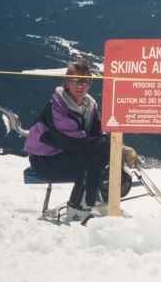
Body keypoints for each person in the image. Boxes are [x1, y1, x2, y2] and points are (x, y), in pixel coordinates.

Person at [25, 58, 139, 212]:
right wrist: (113, 148)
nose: (80, 85)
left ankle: (99, 202)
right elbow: (72, 142)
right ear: (66, 83)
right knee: (92, 159)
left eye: (85, 81)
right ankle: (80, 207)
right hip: (44, 161)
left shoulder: (89, 105)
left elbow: (97, 132)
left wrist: (119, 148)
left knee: (103, 158)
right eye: (75, 80)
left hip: (66, 155)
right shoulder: (58, 107)